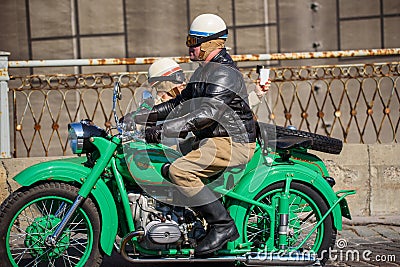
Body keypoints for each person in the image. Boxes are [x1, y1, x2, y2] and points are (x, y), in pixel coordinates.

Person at [124, 13, 257, 256]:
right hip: (211, 139)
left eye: (193, 41)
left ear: (209, 44)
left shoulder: (224, 74)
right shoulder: (204, 71)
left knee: (180, 171)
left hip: (232, 142)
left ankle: (223, 225)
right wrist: (142, 116)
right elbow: (179, 103)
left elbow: (207, 114)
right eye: (189, 40)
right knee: (162, 161)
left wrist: (163, 131)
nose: (190, 47)